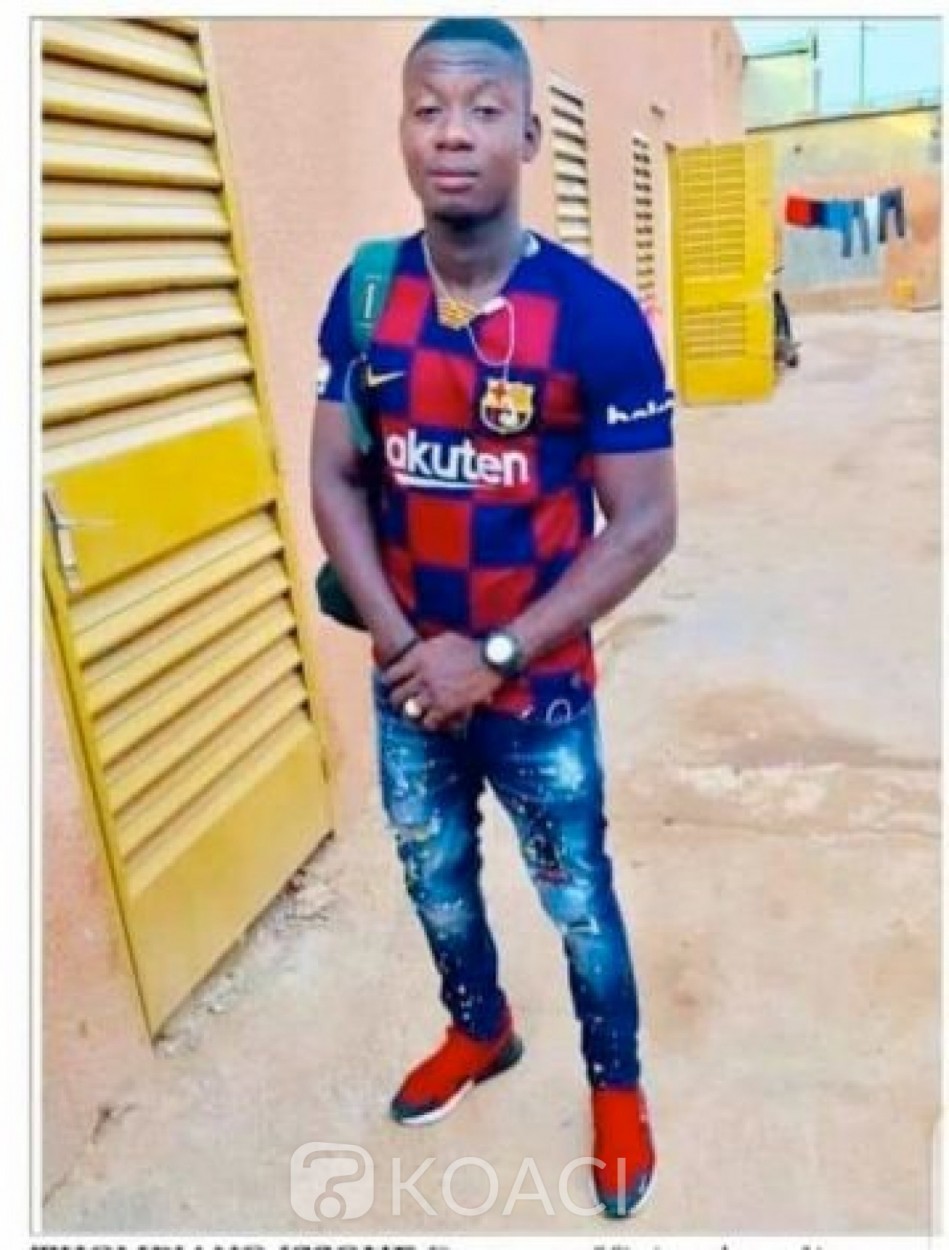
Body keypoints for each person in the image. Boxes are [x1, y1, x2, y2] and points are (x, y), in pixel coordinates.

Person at [310, 16, 677, 1219]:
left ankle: (616, 1087)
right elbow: (335, 479)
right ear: (402, 130)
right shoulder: (368, 297)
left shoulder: (594, 317)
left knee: (577, 898)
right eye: (428, 108)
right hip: (412, 686)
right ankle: (481, 1027)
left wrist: (500, 652)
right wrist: (407, 648)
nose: (452, 132)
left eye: (481, 109)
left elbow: (644, 524)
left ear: (527, 132)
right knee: (434, 877)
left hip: (541, 693)